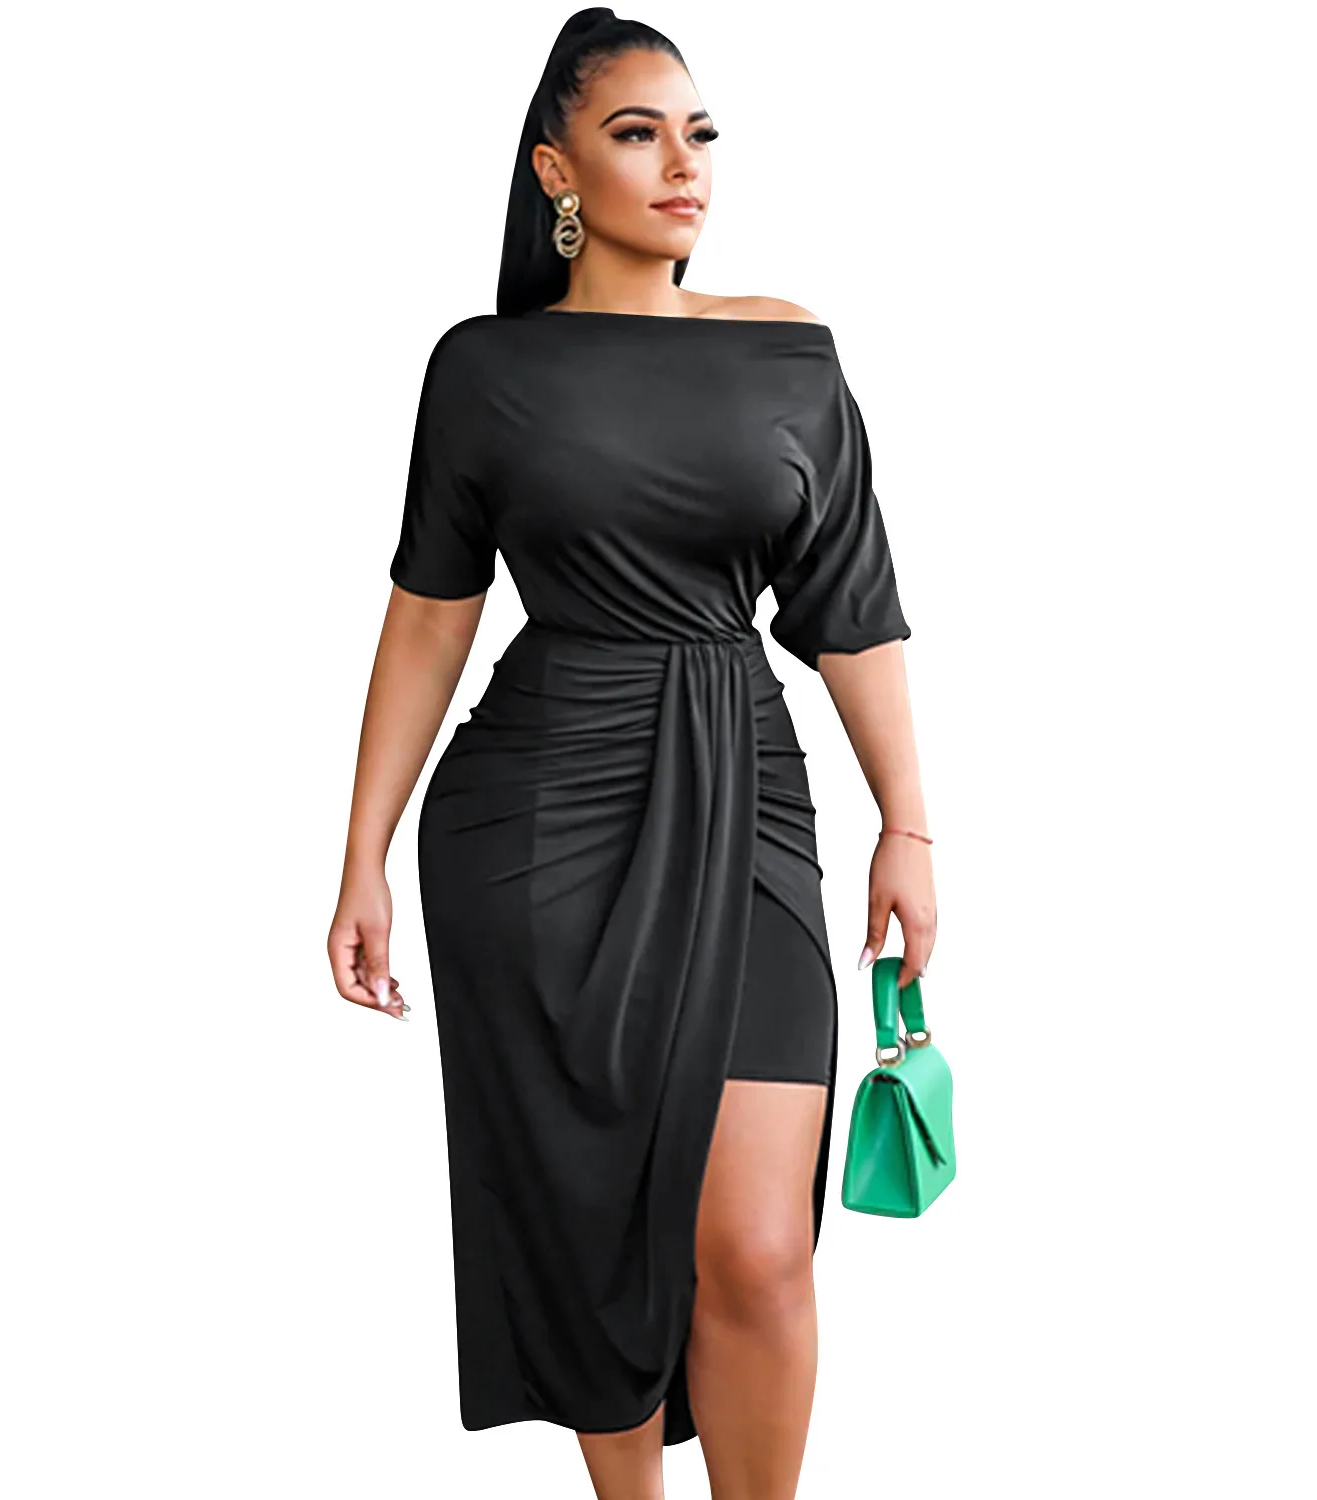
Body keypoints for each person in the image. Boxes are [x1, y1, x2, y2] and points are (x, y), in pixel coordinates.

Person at [328, 10, 936, 1497]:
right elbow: (430, 616)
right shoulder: (483, 369)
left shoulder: (790, 350)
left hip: (743, 797)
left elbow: (852, 607)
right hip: (537, 822)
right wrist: (361, 857)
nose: (684, 164)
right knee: (592, 1220)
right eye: (637, 132)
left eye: (700, 134)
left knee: (759, 1246)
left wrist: (908, 825)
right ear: (557, 170)